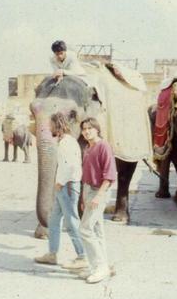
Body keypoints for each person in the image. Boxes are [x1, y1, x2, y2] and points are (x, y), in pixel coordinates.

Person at [34, 112, 88, 270]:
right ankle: (52, 253)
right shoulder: (65, 141)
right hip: (64, 186)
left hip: (67, 186)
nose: (49, 127)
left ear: (57, 125)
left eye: (50, 124)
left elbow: (70, 166)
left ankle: (82, 256)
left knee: (71, 222)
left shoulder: (66, 143)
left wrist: (60, 183)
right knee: (53, 220)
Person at [78, 117, 116, 284]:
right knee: (97, 230)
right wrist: (82, 197)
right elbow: (85, 174)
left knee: (85, 229)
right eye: (84, 129)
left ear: (97, 129)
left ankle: (100, 268)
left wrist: (99, 196)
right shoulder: (88, 147)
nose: (86, 131)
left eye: (90, 128)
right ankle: (101, 266)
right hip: (88, 190)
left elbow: (109, 175)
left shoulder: (103, 146)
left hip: (98, 191)